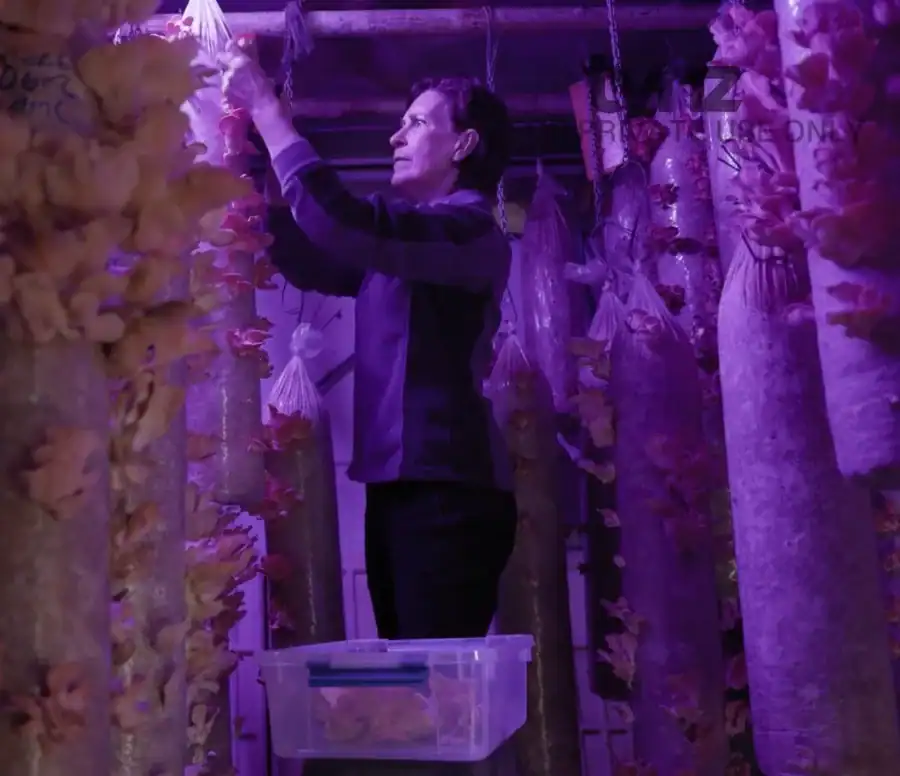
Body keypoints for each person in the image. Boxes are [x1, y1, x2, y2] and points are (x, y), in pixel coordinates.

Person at [222, 50, 518, 641]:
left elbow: (345, 223)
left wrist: (269, 112)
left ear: (463, 146)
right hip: (405, 490)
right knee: (414, 676)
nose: (395, 136)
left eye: (418, 123)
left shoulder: (467, 231)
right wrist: (249, 167)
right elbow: (314, 254)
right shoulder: (408, 246)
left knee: (434, 683)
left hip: (449, 491)